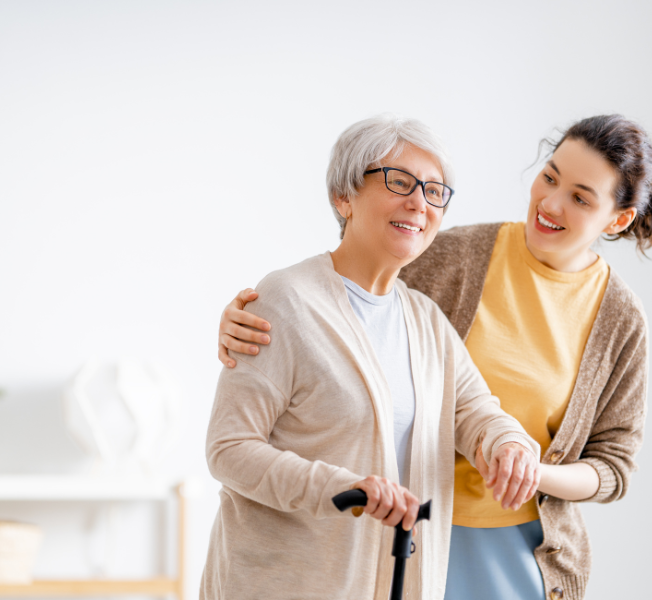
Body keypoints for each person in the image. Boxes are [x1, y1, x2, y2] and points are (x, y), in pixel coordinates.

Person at [215, 114, 652, 600]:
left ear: (618, 219)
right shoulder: (449, 256)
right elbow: (335, 301)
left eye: (581, 198)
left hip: (480, 543)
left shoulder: (434, 319)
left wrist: (518, 456)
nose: (551, 203)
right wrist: (253, 314)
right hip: (367, 540)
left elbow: (478, 410)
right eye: (549, 177)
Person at [200, 114, 539, 600]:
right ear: (344, 196)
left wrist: (509, 445)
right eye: (399, 181)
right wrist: (346, 488)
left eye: (434, 191)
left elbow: (476, 412)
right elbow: (229, 448)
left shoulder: (426, 321)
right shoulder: (285, 300)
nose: (419, 202)